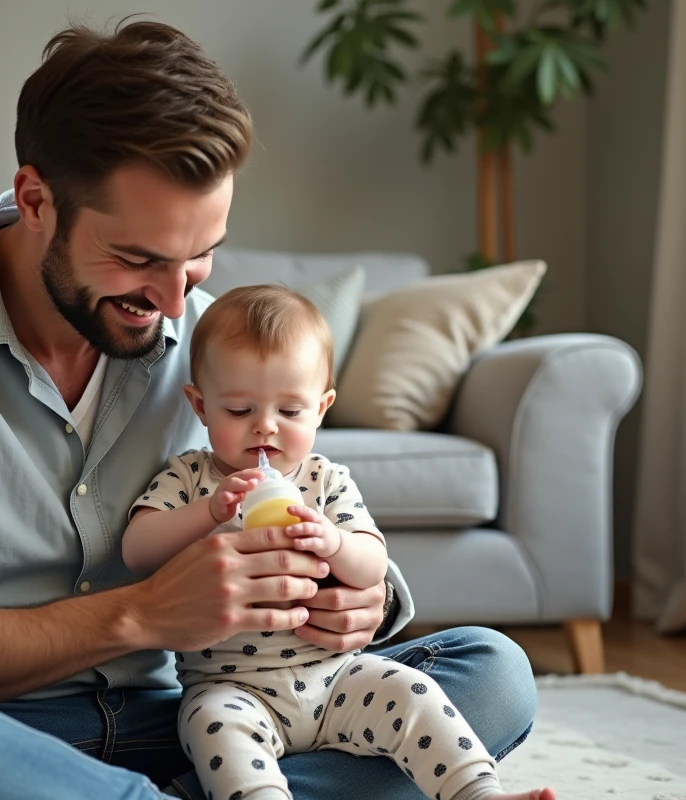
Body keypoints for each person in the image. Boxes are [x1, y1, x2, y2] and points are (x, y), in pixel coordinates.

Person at [0, 19, 537, 800]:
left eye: (201, 255)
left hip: (207, 723)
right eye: (138, 260)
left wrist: (358, 601)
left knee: (491, 672)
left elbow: (313, 513)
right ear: (36, 200)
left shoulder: (207, 338)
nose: (172, 302)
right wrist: (142, 615)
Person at [123, 286, 554, 800]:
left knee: (410, 691)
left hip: (336, 679)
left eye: (290, 410)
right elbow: (137, 549)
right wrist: (209, 512)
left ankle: (477, 792)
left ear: (322, 407)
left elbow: (373, 565)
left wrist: (333, 541)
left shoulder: (325, 480)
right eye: (239, 410)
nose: (265, 426)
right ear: (200, 405)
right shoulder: (190, 477)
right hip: (230, 687)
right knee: (212, 727)